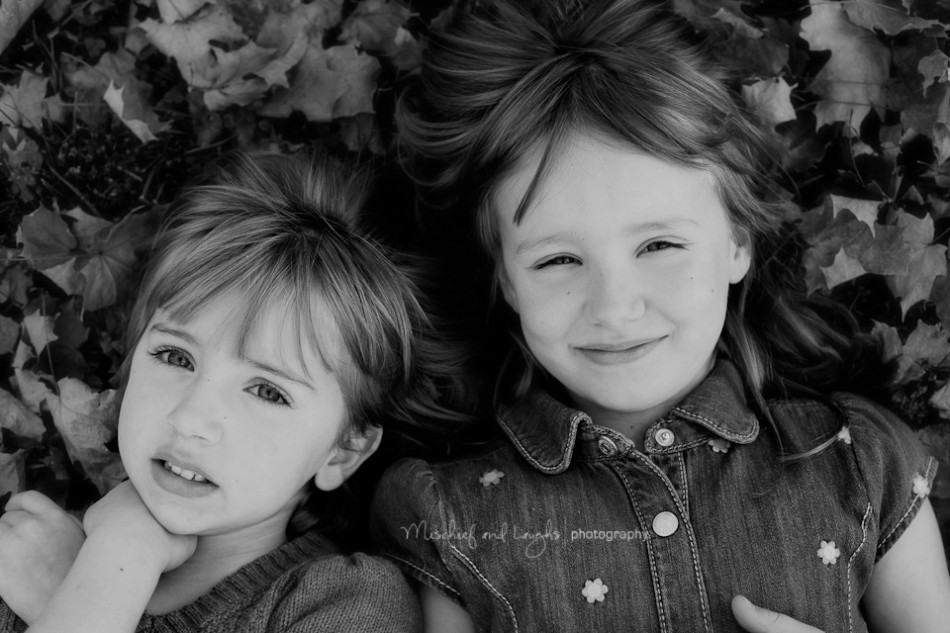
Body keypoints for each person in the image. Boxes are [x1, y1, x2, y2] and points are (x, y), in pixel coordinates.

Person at [369, 0, 950, 631]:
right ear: (504, 280)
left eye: (659, 245)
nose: (616, 307)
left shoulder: (860, 462)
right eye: (558, 259)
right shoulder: (447, 516)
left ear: (738, 242)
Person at [0, 152, 471, 632]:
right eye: (175, 357)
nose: (190, 418)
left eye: (267, 391)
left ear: (343, 452)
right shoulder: (29, 551)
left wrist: (106, 575)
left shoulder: (348, 605)